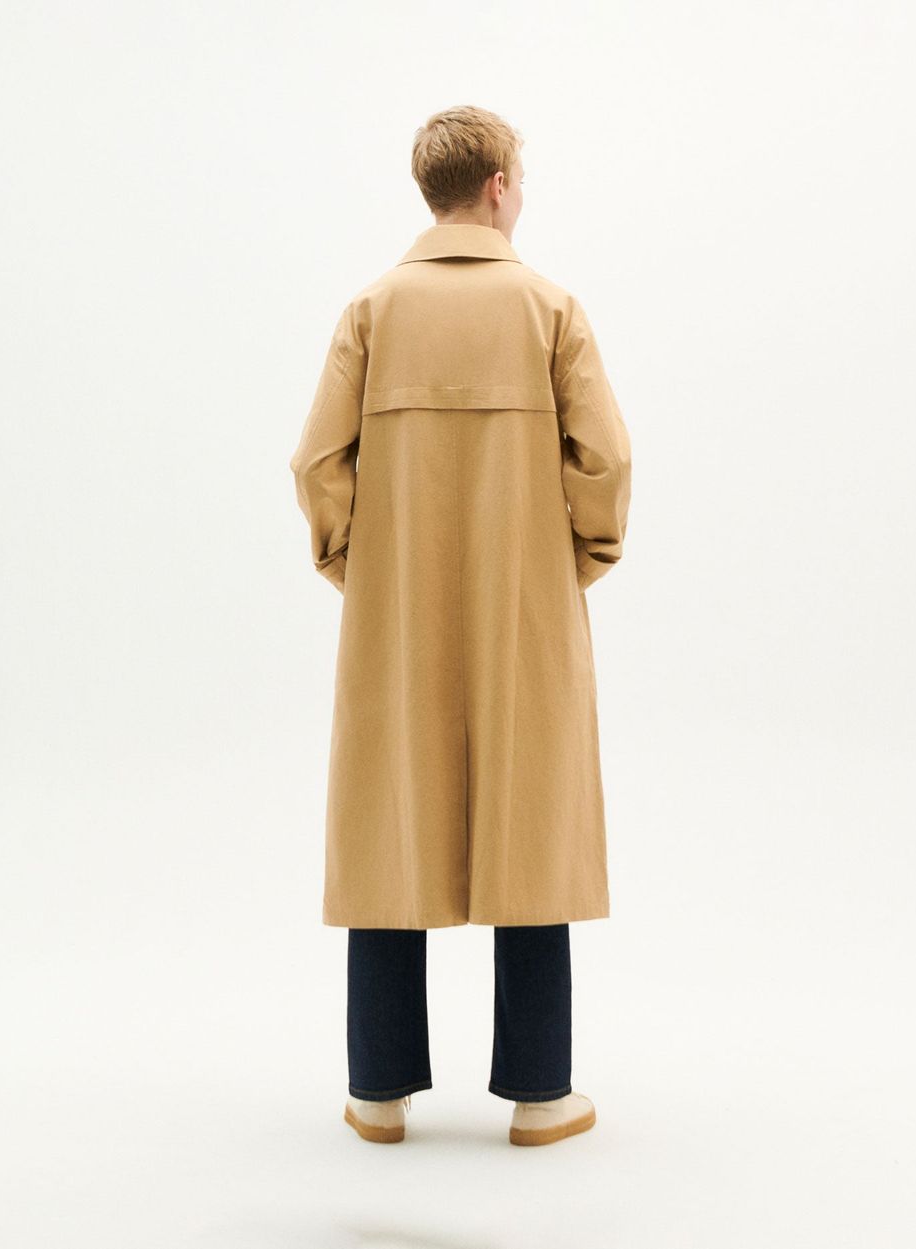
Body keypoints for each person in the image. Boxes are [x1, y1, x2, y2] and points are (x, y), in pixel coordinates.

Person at [289, 105, 632, 1146]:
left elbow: (317, 462)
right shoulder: (548, 308)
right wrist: (574, 562)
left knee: (389, 814)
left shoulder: (371, 310)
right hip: (525, 606)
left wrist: (356, 566)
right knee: (531, 817)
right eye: (520, 177)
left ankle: (377, 1089)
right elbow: (606, 460)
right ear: (497, 186)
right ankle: (539, 1091)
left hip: (397, 608)